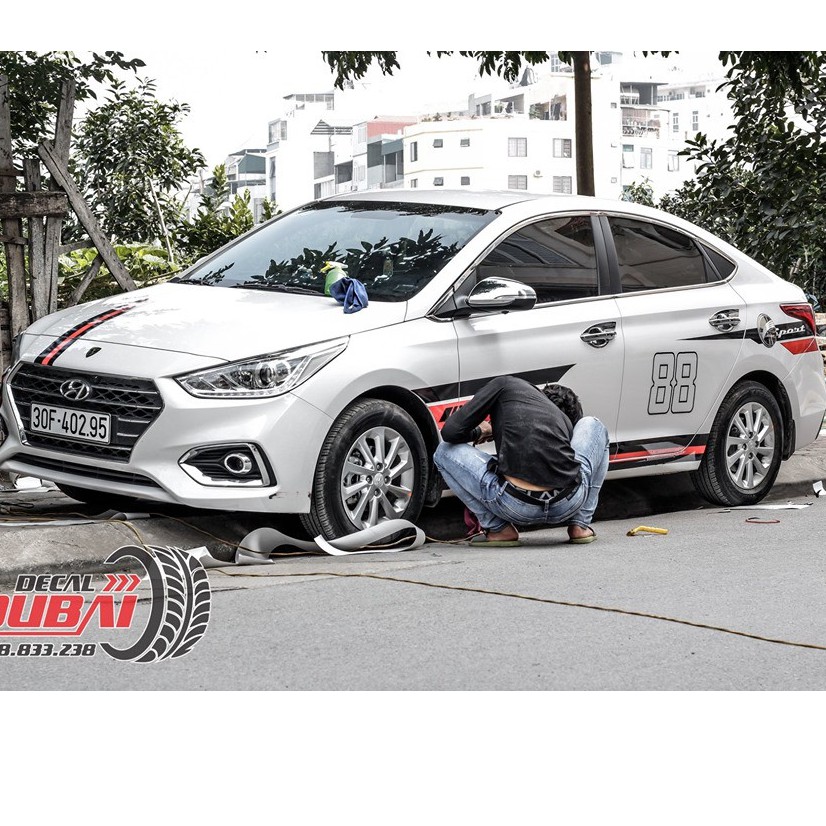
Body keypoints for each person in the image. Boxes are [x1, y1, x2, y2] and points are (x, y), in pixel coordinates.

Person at [433, 376, 609, 547]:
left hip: (514, 506)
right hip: (569, 502)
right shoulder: (561, 419)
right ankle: (580, 525)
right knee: (593, 424)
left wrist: (481, 431)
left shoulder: (503, 384)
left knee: (443, 451)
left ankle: (498, 528)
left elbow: (450, 432)